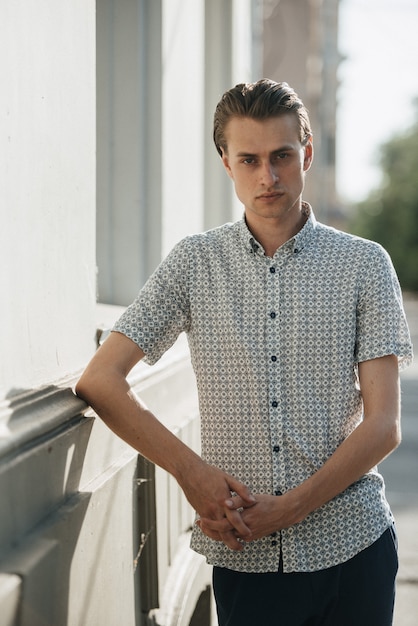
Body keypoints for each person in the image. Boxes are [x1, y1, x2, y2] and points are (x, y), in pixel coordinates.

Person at [76, 79, 413, 625]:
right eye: (249, 159)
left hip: (354, 548)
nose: (268, 176)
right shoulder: (193, 264)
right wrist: (192, 473)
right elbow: (99, 380)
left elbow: (383, 425)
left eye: (282, 156)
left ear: (306, 153)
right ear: (226, 163)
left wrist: (290, 508)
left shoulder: (364, 264)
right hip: (248, 559)